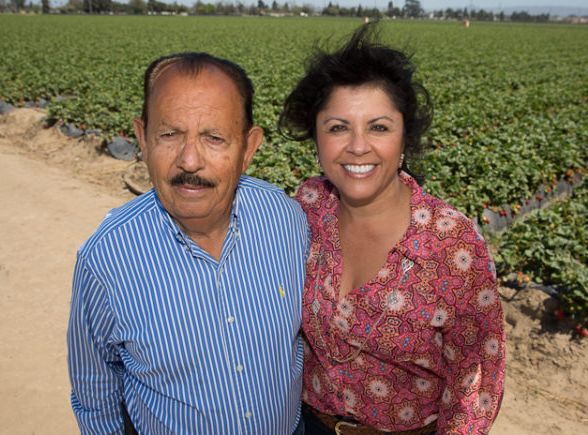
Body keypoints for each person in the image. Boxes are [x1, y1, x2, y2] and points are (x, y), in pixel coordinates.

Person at [278, 24, 505, 434]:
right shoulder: (306, 208)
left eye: (379, 127)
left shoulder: (451, 245)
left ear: (405, 138)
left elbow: (475, 386)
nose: (358, 145)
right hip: (308, 424)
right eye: (337, 127)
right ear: (317, 140)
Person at [67, 52, 309, 434]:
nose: (190, 160)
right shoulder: (107, 258)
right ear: (143, 139)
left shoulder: (286, 221)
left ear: (248, 148)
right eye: (169, 135)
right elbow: (95, 393)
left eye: (214, 138)